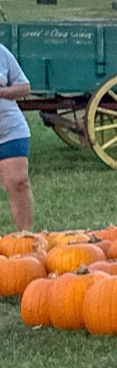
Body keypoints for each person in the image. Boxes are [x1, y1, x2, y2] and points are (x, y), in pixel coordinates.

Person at [0, 40, 35, 233]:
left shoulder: (1, 52)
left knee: (18, 182)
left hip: (9, 129)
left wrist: (3, 91)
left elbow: (24, 87)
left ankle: (26, 238)